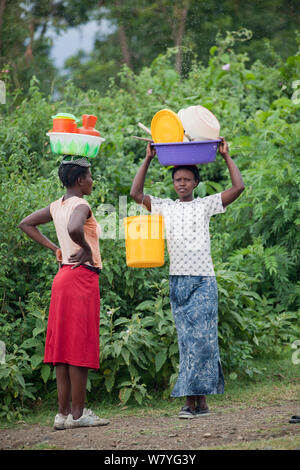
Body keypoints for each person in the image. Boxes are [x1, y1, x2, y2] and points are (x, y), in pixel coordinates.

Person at [130, 138, 245, 418]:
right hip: (178, 282)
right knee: (187, 343)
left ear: (195, 183)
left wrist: (226, 155)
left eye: (186, 179)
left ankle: (192, 403)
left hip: (204, 280)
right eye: (177, 179)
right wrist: (147, 158)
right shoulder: (164, 207)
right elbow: (135, 194)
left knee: (202, 341)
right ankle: (199, 403)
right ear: (173, 184)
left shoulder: (205, 205)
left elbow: (238, 187)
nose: (181, 183)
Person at [18, 156, 109, 429]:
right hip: (82, 279)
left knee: (62, 348)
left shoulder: (57, 205)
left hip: (63, 278)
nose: (92, 181)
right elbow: (73, 228)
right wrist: (87, 248)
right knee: (78, 345)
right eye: (90, 176)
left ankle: (63, 414)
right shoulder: (81, 204)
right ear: (80, 181)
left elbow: (25, 223)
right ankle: (79, 415)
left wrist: (54, 249)